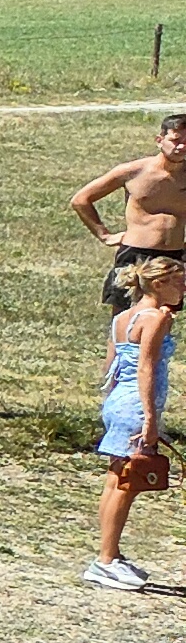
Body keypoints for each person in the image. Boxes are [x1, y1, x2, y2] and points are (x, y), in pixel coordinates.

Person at [91, 251, 186, 591]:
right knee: (127, 485)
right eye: (180, 282)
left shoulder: (124, 316)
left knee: (115, 480)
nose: (184, 289)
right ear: (160, 284)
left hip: (118, 401)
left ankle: (109, 554)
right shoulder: (158, 317)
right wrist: (150, 418)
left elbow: (111, 364)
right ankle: (105, 560)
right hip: (136, 404)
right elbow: (146, 366)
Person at [73, 112, 186, 306]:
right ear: (159, 140)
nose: (182, 146)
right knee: (124, 319)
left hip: (173, 256)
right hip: (136, 255)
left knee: (163, 319)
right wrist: (105, 235)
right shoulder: (134, 172)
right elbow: (81, 199)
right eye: (176, 140)